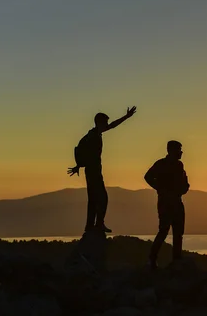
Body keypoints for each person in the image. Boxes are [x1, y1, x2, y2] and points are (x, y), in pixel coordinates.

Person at [68, 106, 137, 233]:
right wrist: (79, 164)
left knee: (94, 199)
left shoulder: (93, 134)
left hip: (93, 171)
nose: (107, 125)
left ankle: (91, 226)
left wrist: (78, 165)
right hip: (93, 172)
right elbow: (80, 149)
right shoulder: (92, 136)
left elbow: (80, 148)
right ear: (99, 122)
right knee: (102, 198)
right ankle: (97, 224)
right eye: (105, 122)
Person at [144, 140, 190, 269]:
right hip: (165, 202)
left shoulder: (180, 165)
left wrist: (185, 186)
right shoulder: (161, 164)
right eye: (179, 149)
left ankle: (176, 260)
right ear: (171, 150)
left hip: (177, 201)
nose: (181, 152)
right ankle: (152, 258)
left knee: (178, 232)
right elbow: (147, 177)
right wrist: (159, 188)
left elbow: (183, 180)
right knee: (163, 231)